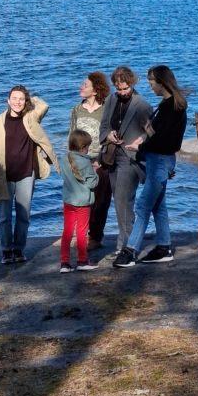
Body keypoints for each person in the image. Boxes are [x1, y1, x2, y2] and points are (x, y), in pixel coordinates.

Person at [115, 66, 189, 268]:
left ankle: (130, 252)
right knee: (158, 206)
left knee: (143, 205)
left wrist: (142, 147)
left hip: (159, 161)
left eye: (151, 82)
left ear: (161, 82)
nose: (150, 86)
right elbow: (157, 134)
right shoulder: (168, 105)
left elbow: (165, 141)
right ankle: (164, 247)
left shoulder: (172, 107)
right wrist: (142, 142)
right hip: (159, 160)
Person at [0, 85, 57, 264]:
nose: (17, 102)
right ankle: (6, 250)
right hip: (3, 175)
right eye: (14, 98)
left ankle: (18, 249)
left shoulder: (30, 117)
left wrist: (30, 100)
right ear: (8, 100)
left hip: (26, 173)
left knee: (23, 214)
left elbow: (44, 105)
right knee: (4, 216)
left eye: (21, 99)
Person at [98, 66, 153, 256]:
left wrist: (140, 142)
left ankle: (126, 247)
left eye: (125, 88)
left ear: (132, 83)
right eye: (118, 88)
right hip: (112, 155)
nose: (122, 92)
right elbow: (103, 126)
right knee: (120, 202)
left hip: (131, 159)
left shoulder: (142, 105)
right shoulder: (111, 99)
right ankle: (127, 244)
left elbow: (152, 134)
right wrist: (109, 136)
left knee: (123, 202)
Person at [68, 72, 113, 248]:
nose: (81, 87)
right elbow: (71, 136)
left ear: (95, 90)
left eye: (85, 85)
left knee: (101, 200)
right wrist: (71, 160)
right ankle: (81, 234)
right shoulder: (77, 110)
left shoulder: (106, 109)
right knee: (81, 200)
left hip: (101, 161)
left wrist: (101, 160)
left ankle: (95, 237)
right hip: (81, 160)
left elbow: (110, 136)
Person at [59, 130, 99, 273]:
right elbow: (92, 184)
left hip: (68, 201)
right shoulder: (85, 162)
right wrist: (95, 170)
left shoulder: (64, 159)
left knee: (67, 231)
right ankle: (82, 260)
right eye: (88, 146)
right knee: (82, 232)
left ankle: (64, 263)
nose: (88, 149)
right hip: (83, 203)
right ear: (83, 148)